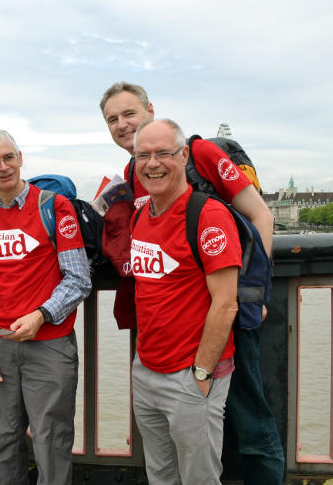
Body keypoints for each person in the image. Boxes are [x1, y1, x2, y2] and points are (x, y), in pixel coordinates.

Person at [100, 82, 284, 483]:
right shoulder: (134, 172)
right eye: (112, 119)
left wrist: (254, 294)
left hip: (224, 312)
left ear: (150, 109)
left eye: (129, 113)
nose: (121, 124)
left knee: (250, 419)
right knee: (193, 436)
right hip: (168, 341)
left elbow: (261, 216)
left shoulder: (199, 152)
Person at [0, 129, 92, 485]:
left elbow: (79, 278)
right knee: (2, 440)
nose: (3, 167)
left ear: (20, 158)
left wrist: (41, 315)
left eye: (8, 158)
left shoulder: (54, 207)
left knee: (52, 441)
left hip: (49, 343)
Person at [129, 118, 241, 483]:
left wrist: (202, 374)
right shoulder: (140, 216)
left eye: (163, 153)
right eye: (143, 155)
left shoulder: (208, 216)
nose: (152, 163)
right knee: (160, 474)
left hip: (190, 375)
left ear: (183, 156)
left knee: (199, 477)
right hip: (147, 369)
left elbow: (225, 304)